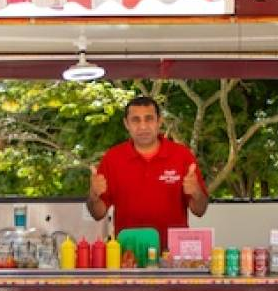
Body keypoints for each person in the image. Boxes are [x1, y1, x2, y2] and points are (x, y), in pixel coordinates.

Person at [87, 96, 208, 245]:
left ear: (159, 121)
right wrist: (93, 197)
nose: (143, 126)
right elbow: (98, 214)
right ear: (126, 124)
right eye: (136, 120)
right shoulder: (112, 158)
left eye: (149, 119)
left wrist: (196, 192)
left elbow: (200, 210)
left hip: (173, 254)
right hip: (128, 253)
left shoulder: (182, 155)